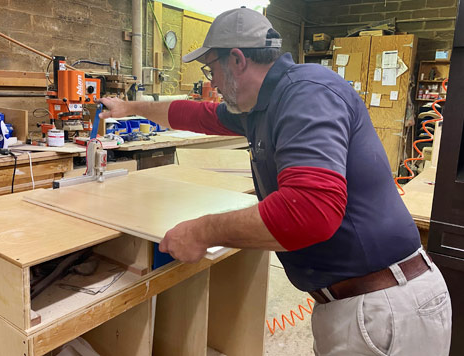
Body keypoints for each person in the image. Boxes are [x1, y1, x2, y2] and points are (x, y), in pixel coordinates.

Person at [99, 8, 451, 356]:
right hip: (360, 307)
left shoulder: (306, 93)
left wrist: (201, 231)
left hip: (383, 309)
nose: (213, 82)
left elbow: (310, 211)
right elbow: (196, 115)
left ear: (237, 60)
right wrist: (130, 109)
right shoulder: (263, 106)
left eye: (212, 68)